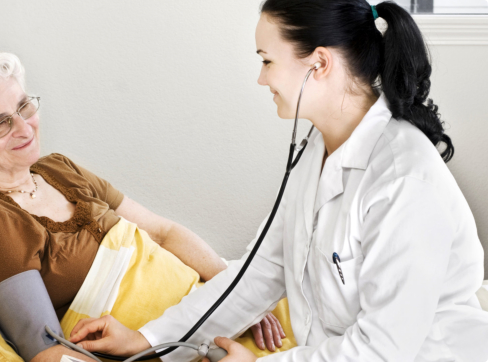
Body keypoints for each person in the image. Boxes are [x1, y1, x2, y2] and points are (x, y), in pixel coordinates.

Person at [68, 1, 488, 361]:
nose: (261, 78)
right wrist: (150, 339)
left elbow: (383, 349)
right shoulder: (316, 154)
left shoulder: (405, 178)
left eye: (267, 60)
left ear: (318, 64)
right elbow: (261, 270)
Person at [0, 53, 286, 362]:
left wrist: (235, 292)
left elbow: (164, 232)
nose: (24, 127)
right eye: (0, 123)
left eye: (23, 107)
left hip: (206, 312)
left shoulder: (57, 168)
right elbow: (50, 352)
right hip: (174, 347)